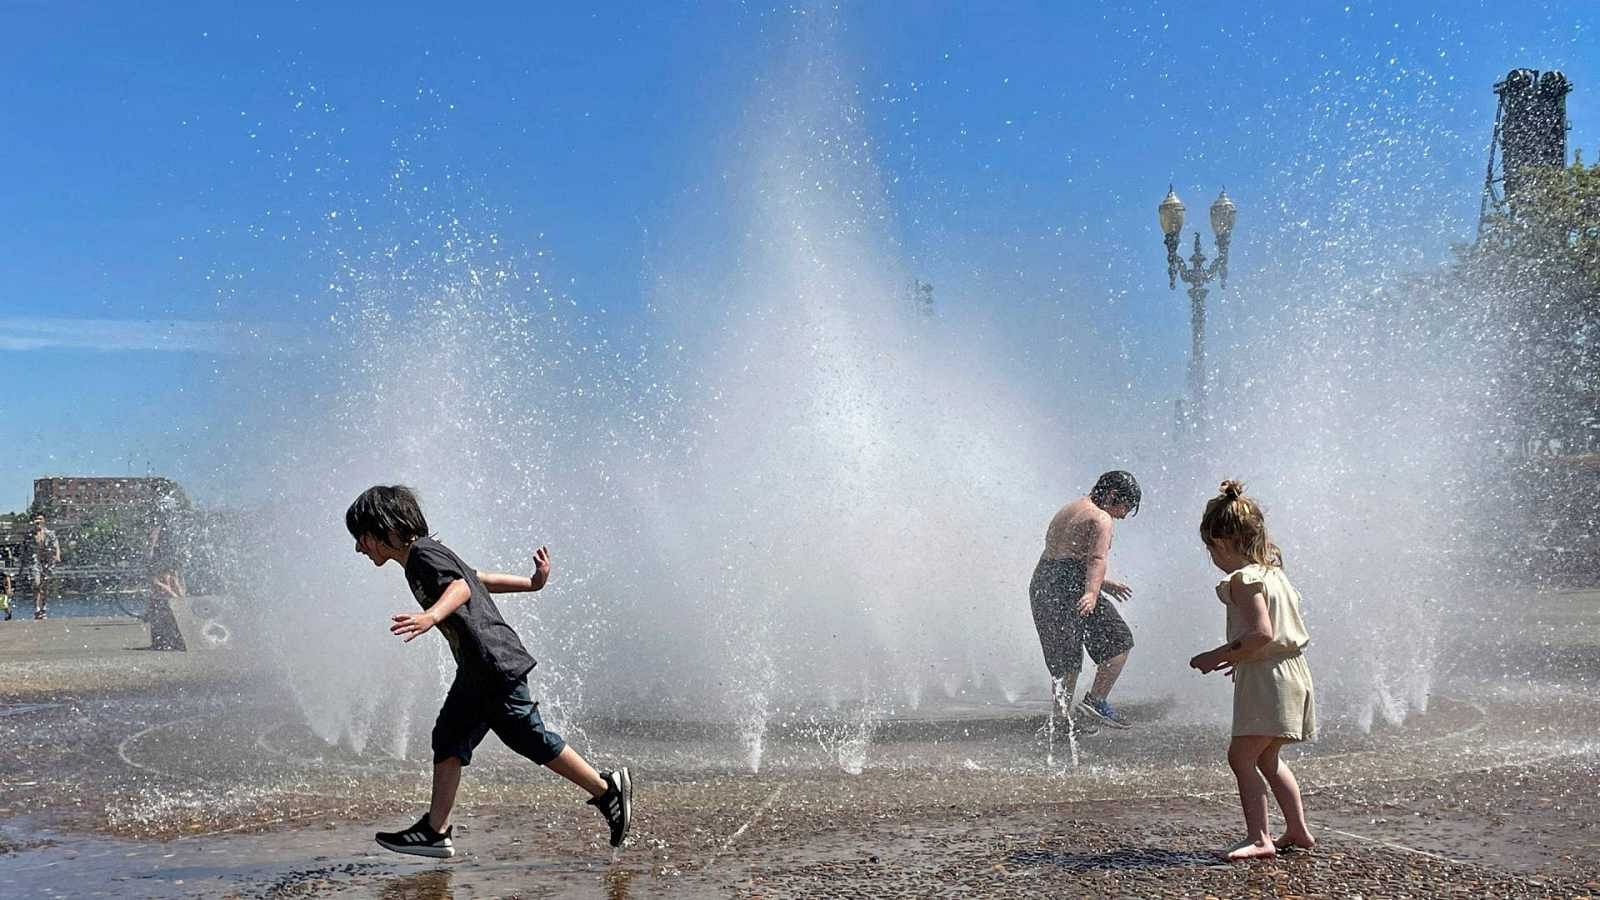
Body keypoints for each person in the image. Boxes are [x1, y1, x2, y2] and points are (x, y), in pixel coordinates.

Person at [345, 485, 632, 858]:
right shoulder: (427, 556)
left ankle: (606, 790)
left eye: (361, 537)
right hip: (477, 668)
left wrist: (431, 616)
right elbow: (476, 577)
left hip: (492, 663)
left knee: (528, 736)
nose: (359, 548)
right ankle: (436, 830)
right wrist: (531, 584)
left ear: (387, 527)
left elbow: (462, 587)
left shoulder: (422, 555)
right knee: (448, 737)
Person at [1189, 480, 1316, 861]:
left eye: (1210, 548)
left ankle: (1260, 838)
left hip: (1269, 678)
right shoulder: (1275, 574)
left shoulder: (1243, 579)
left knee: (1241, 757)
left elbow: (1261, 631)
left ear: (1222, 542)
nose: (1212, 556)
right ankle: (1297, 830)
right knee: (1266, 757)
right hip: (1290, 671)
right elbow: (1269, 637)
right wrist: (1241, 657)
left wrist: (1218, 655)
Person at [1029, 470, 1140, 731]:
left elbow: (1064, 557)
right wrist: (1091, 592)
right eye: (1126, 507)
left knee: (1065, 658)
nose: (1123, 515)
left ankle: (1060, 720)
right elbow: (1096, 559)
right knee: (1119, 640)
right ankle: (1096, 701)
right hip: (1071, 587)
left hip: (1043, 582)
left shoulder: (1072, 507)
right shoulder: (1102, 518)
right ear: (1113, 495)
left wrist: (1103, 584)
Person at [17, 514, 61, 620]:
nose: (38, 521)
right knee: (36, 584)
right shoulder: (29, 534)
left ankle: (44, 607)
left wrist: (57, 555)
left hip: (47, 561)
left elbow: (56, 545)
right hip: (34, 561)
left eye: (40, 519)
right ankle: (37, 608)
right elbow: (24, 549)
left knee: (44, 586)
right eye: (36, 519)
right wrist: (22, 565)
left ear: (44, 520)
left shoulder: (49, 533)